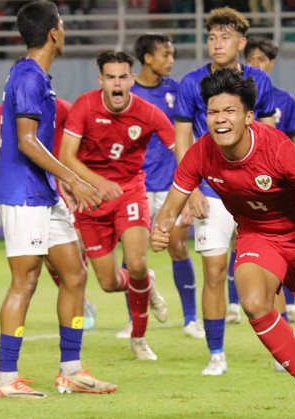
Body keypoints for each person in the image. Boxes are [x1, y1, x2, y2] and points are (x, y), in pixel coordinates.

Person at [152, 68, 295, 419]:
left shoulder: (276, 147)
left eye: (229, 112)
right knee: (254, 303)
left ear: (247, 116)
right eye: (213, 112)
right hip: (257, 235)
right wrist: (161, 228)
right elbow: (171, 206)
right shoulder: (200, 153)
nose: (220, 120)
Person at [0, 0, 115, 398]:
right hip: (22, 194)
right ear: (53, 33)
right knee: (24, 280)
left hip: (42, 191)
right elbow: (27, 141)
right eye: (61, 24)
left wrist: (60, 183)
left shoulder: (37, 76)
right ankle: (7, 378)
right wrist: (74, 181)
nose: (64, 30)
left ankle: (72, 370)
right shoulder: (28, 77)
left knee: (74, 273)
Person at [172, 6, 276, 376]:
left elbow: (270, 137)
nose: (217, 44)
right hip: (211, 190)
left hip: (255, 191)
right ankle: (216, 354)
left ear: (241, 43)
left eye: (226, 37)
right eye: (212, 37)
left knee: (268, 272)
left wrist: (272, 187)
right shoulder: (190, 83)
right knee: (215, 270)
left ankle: (282, 351)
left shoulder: (259, 83)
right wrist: (191, 188)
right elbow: (182, 138)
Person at [59, 50, 174, 361]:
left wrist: (193, 190)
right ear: (101, 81)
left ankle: (139, 339)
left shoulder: (149, 113)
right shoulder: (85, 105)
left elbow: (180, 147)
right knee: (109, 283)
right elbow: (66, 157)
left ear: (132, 80)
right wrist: (97, 182)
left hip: (130, 193)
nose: (117, 83)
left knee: (135, 263)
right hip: (92, 198)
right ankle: (146, 283)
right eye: (111, 77)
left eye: (123, 76)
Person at [114, 33, 204, 340]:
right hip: (135, 184)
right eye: (165, 54)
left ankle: (191, 318)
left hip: (171, 186)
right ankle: (133, 320)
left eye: (172, 54)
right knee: (132, 257)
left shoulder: (177, 90)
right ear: (147, 58)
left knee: (178, 247)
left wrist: (192, 187)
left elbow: (187, 138)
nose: (171, 60)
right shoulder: (125, 90)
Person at [0, 99, 98, 332]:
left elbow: (78, 139)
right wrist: (0, 132)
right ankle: (81, 304)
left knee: (75, 261)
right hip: (25, 193)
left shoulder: (60, 107)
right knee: (35, 271)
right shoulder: (0, 111)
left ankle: (72, 358)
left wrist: (74, 176)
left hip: (58, 187)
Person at [240, 35, 295, 327]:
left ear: (272, 64)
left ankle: (289, 304)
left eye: (262, 60)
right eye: (251, 59)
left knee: (288, 244)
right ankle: (239, 302)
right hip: (246, 180)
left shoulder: (284, 100)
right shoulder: (236, 98)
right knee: (247, 243)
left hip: (280, 182)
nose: (256, 64)